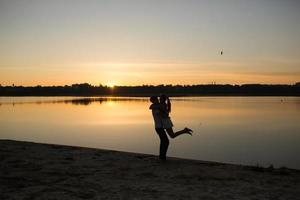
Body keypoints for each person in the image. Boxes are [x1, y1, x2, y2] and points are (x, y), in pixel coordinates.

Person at [149, 95, 193, 161]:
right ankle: (162, 157)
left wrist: (164, 114)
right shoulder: (156, 107)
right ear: (154, 101)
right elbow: (152, 107)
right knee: (166, 140)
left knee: (165, 141)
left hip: (162, 126)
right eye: (157, 99)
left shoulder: (159, 106)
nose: (158, 100)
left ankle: (162, 157)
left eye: (159, 99)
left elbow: (163, 113)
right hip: (159, 127)